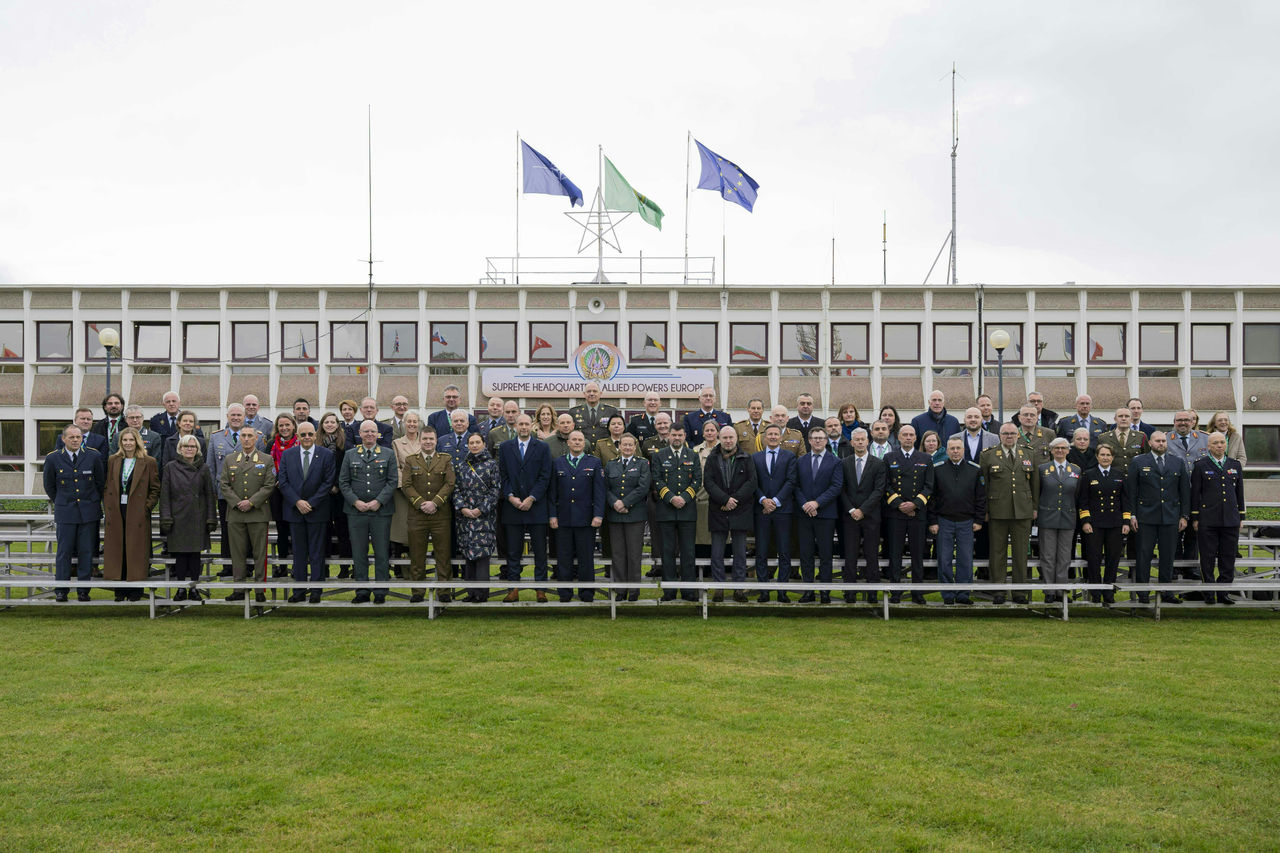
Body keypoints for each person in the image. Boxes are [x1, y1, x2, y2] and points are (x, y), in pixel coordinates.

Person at [1126, 431, 1191, 603]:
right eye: (1157, 441)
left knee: (1168, 556)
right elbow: (1131, 491)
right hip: (1145, 517)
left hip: (1170, 517)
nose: (1161, 443)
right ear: (1150, 443)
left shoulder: (1177, 462)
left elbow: (1185, 491)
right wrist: (1132, 514)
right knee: (1144, 555)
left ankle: (1166, 592)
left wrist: (1184, 515)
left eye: (1163, 441)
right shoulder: (1138, 462)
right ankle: (1143, 593)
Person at [276, 420, 336, 603]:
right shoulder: (288, 455)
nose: (307, 438)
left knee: (317, 552)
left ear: (315, 435)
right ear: (298, 436)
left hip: (317, 511)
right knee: (299, 552)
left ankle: (316, 591)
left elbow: (328, 481)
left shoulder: (326, 455)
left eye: (310, 434)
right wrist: (298, 502)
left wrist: (311, 503)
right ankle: (299, 591)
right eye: (303, 435)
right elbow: (283, 482)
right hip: (295, 511)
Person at [44, 425, 106, 601]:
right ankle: (61, 590)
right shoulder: (53, 458)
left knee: (86, 552)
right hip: (66, 512)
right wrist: (63, 502)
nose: (75, 440)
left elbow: (99, 483)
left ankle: (83, 590)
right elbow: (50, 486)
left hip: (89, 512)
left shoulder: (93, 456)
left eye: (78, 437)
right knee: (64, 553)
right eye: (71, 437)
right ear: (63, 439)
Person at [981, 423, 1040, 604]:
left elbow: (1035, 483)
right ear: (999, 435)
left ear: (1018, 435)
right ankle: (998, 591)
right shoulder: (988, 455)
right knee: (997, 553)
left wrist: (1034, 507)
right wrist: (985, 510)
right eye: (1005, 433)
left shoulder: (1029, 453)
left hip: (1022, 511)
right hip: (997, 511)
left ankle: (1019, 592)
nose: (1009, 436)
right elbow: (984, 484)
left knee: (1021, 553)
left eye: (1012, 433)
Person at [340, 420, 397, 604]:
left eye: (373, 431)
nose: (370, 434)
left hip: (381, 512)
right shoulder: (350, 454)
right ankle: (362, 590)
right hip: (356, 512)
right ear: (360, 434)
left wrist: (378, 501)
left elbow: (392, 481)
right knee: (359, 552)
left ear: (378, 434)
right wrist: (355, 502)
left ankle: (380, 591)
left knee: (381, 552)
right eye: (366, 431)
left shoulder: (388, 454)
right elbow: (343, 482)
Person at [101, 427, 161, 601]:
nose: (128, 443)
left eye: (131, 440)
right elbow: (107, 485)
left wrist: (146, 507)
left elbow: (155, 488)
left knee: (135, 550)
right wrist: (108, 505)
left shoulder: (148, 461)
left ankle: (135, 591)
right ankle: (119, 590)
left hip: (138, 511)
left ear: (137, 442)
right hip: (117, 511)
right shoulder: (113, 460)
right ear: (120, 443)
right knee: (118, 549)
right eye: (125, 440)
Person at [498, 414, 552, 603]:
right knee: (513, 551)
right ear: (516, 427)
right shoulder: (505, 448)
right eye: (520, 424)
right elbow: (502, 475)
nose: (523, 427)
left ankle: (541, 589)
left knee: (539, 551)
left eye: (526, 424)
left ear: (532, 426)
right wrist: (511, 497)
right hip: (512, 507)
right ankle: (513, 588)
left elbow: (545, 476)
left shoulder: (543, 447)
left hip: (536, 507)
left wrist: (531, 497)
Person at [219, 425, 275, 602]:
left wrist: (251, 502)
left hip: (258, 513)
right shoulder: (230, 459)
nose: (246, 439)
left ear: (256, 438)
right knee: (237, 553)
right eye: (243, 435)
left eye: (250, 435)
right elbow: (224, 484)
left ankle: (260, 590)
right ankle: (239, 588)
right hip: (236, 514)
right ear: (239, 438)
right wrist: (237, 503)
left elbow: (269, 485)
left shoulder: (266, 459)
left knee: (259, 553)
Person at [400, 426, 456, 603]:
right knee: (417, 555)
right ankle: (417, 591)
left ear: (436, 440)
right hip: (418, 515)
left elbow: (450, 483)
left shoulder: (445, 459)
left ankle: (444, 591)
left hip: (441, 515)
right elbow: (406, 485)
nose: (428, 442)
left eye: (431, 439)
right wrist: (420, 503)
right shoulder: (411, 460)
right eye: (425, 439)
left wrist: (436, 503)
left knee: (443, 554)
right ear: (420, 440)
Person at [927, 436, 985, 605]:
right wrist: (933, 521)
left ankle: (963, 593)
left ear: (963, 450)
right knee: (944, 559)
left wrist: (979, 520)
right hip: (944, 521)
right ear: (947, 450)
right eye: (952, 448)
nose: (955, 451)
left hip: (967, 521)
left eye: (958, 448)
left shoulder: (975, 470)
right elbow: (932, 498)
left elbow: (980, 498)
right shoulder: (937, 469)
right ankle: (948, 594)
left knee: (965, 559)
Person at [548, 429, 605, 602]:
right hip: (563, 518)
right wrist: (552, 516)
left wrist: (598, 515)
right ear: (568, 443)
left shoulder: (594, 463)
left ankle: (587, 593)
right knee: (563, 558)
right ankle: (565, 594)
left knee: (586, 559)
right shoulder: (558, 463)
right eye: (574, 440)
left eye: (580, 440)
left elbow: (599, 492)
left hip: (586, 519)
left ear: (584, 443)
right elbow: (552, 493)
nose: (577, 442)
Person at [159, 434, 217, 601]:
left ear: (197, 449)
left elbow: (209, 495)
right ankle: (181, 589)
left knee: (194, 556)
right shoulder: (170, 467)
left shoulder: (204, 468)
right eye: (186, 446)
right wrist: (166, 518)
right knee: (180, 556)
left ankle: (193, 588)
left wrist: (211, 518)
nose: (189, 449)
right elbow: (165, 495)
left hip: (197, 517)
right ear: (180, 449)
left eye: (192, 446)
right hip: (178, 517)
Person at [703, 425, 757, 602]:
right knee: (717, 553)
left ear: (736, 439)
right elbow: (709, 483)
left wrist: (733, 500)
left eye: (731, 438)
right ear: (719, 438)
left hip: (740, 510)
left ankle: (738, 589)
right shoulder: (712, 458)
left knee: (740, 553)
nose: (728, 441)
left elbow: (751, 483)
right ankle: (718, 588)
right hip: (718, 510)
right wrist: (725, 499)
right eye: (724, 437)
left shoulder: (746, 458)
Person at [1190, 432, 1245, 604]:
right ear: (1209, 446)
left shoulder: (1234, 464)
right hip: (1208, 519)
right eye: (1215, 443)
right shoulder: (1200, 465)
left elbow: (1239, 492)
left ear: (1226, 445)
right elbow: (1195, 493)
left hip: (1230, 518)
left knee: (1228, 557)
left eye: (1222, 442)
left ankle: (1223, 592)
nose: (1219, 445)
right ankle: (1209, 592)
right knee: (1207, 557)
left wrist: (1241, 515)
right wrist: (1195, 517)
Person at [883, 424, 934, 604]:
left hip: (917, 514)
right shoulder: (889, 457)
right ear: (898, 437)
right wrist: (899, 504)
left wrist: (915, 504)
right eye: (905, 434)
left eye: (911, 435)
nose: (908, 438)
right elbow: (886, 484)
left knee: (917, 555)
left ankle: (917, 592)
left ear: (915, 438)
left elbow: (929, 486)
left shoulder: (925, 458)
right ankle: (895, 592)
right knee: (895, 555)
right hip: (895, 514)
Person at [793, 428, 844, 603]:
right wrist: (805, 504)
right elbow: (796, 486)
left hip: (826, 515)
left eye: (821, 438)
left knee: (825, 555)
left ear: (826, 441)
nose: (818, 441)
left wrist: (817, 503)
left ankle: (824, 592)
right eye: (814, 438)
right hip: (804, 514)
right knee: (806, 554)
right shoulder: (800, 461)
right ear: (809, 440)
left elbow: (836, 487)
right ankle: (808, 591)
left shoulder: (835, 461)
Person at [652, 424, 701, 601]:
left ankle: (688, 591)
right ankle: (670, 591)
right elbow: (656, 479)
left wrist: (685, 498)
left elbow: (697, 480)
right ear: (669, 436)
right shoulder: (659, 455)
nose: (677, 438)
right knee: (667, 552)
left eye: (680, 435)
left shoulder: (693, 455)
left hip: (687, 511)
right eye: (674, 435)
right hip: (666, 510)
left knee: (688, 552)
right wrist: (672, 498)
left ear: (685, 435)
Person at [208, 404, 256, 576]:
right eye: (233, 415)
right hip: (224, 494)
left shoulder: (254, 436)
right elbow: (211, 467)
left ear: (244, 417)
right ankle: (228, 565)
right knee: (227, 529)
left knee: (248, 529)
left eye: (239, 415)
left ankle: (248, 566)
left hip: (247, 494)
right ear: (227, 416)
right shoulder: (216, 437)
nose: (236, 418)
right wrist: (214, 490)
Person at [839, 428, 886, 603]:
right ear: (851, 443)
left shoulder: (878, 463)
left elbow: (879, 490)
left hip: (871, 517)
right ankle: (850, 593)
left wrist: (863, 510)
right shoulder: (844, 463)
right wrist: (852, 510)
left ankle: (872, 593)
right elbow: (841, 490)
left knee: (871, 555)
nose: (859, 442)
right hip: (850, 517)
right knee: (850, 555)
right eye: (856, 440)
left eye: (862, 439)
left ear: (868, 442)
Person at [1078, 443, 1129, 605]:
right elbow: (1083, 500)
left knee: (1113, 559)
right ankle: (1095, 592)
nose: (1105, 458)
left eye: (1108, 455)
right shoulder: (1088, 475)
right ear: (1097, 457)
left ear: (1113, 458)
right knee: (1093, 559)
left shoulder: (1119, 474)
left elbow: (1125, 501)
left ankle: (1109, 592)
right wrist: (1085, 521)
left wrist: (1126, 521)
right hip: (1095, 524)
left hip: (1115, 523)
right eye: (1102, 455)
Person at [453, 432, 501, 602]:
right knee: (468, 554)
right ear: (467, 445)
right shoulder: (461, 466)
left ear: (483, 444)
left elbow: (495, 490)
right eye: (471, 442)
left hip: (484, 518)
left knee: (481, 556)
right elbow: (456, 489)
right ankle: (471, 593)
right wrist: (463, 508)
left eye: (477, 442)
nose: (474, 445)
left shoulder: (491, 465)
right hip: (465, 518)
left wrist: (481, 509)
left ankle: (481, 594)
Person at [752, 424, 797, 600]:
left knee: (784, 552)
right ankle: (763, 591)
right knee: (761, 551)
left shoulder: (789, 457)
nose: (772, 437)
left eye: (775, 434)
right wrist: (763, 500)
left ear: (781, 437)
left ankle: (782, 591)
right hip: (761, 510)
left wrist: (776, 501)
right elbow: (753, 482)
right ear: (764, 438)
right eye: (769, 434)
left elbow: (791, 481)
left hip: (783, 510)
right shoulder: (755, 458)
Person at [603, 434, 650, 600]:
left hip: (635, 515)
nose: (628, 448)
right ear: (619, 446)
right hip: (615, 515)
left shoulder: (642, 464)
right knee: (618, 555)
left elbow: (643, 487)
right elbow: (605, 488)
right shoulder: (610, 465)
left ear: (635, 446)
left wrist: (625, 503)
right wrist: (615, 503)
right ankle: (620, 590)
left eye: (631, 445)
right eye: (625, 445)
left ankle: (634, 591)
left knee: (634, 554)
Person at [1037, 438, 1081, 603]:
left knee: (1064, 557)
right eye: (1057, 448)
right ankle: (1049, 591)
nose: (1060, 451)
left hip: (1068, 517)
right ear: (1051, 450)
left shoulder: (1075, 469)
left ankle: (1061, 591)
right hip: (1047, 517)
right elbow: (1038, 492)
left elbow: (1077, 495)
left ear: (1068, 450)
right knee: (1048, 556)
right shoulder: (1043, 469)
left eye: (1063, 448)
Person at [1167, 410, 1209, 564]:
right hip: (1174, 494)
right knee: (1175, 532)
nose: (1183, 423)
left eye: (1186, 420)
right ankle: (1176, 566)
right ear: (1174, 422)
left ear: (1192, 422)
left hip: (1198, 495)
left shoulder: (1206, 439)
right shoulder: (1165, 439)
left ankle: (1191, 567)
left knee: (1194, 532)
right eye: (1179, 420)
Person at [317, 411, 351, 576]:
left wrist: (336, 484)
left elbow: (347, 467)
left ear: (338, 424)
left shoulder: (345, 444)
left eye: (333, 422)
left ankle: (345, 567)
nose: (330, 424)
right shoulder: (316, 444)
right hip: (322, 494)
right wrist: (326, 486)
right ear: (322, 425)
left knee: (343, 530)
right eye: (326, 422)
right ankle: (325, 568)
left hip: (341, 494)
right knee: (324, 531)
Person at [389, 411, 426, 564]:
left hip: (424, 490)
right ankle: (400, 566)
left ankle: (418, 563)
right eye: (408, 421)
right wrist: (406, 486)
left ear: (419, 424)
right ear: (404, 424)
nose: (412, 424)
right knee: (402, 528)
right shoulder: (397, 443)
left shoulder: (425, 441)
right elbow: (396, 466)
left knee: (419, 527)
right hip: (403, 491)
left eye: (414, 421)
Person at [265, 413, 298, 567]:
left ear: (293, 425)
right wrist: (276, 480)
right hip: (277, 493)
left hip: (295, 492)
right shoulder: (271, 444)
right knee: (281, 530)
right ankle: (283, 566)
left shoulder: (300, 443)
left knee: (295, 530)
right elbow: (266, 466)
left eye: (287, 425)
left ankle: (297, 567)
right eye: (281, 425)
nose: (284, 428)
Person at [693, 419, 721, 559]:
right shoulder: (696, 451)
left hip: (721, 499)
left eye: (712, 430)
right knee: (702, 535)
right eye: (707, 430)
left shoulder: (726, 448)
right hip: (701, 498)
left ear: (718, 432)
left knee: (720, 536)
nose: (710, 433)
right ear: (703, 433)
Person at [1096, 407, 1147, 475]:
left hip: (1135, 479)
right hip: (1113, 479)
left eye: (1127, 416)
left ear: (1131, 419)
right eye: (1120, 416)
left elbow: (1147, 459)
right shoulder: (1103, 438)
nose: (1123, 418)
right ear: (1115, 419)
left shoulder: (1141, 437)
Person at [568, 382, 620, 446]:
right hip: (583, 451)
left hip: (604, 451)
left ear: (600, 394)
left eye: (595, 391)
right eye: (589, 391)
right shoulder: (574, 412)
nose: (592, 394)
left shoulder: (611, 411)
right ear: (584, 394)